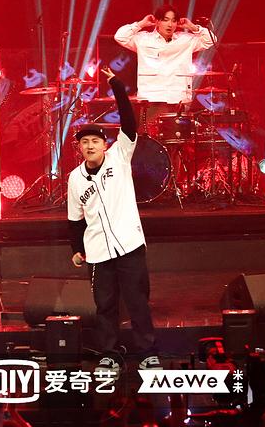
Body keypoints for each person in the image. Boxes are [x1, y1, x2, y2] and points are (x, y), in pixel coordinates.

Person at [67, 67, 160, 376]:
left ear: (105, 144)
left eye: (95, 141)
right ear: (79, 148)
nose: (90, 146)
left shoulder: (120, 156)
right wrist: (77, 249)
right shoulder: (75, 179)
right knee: (104, 305)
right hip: (97, 252)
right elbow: (74, 218)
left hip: (129, 245)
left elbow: (128, 121)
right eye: (85, 142)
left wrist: (117, 86)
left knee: (137, 301)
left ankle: (147, 352)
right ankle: (109, 353)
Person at [113, 4, 215, 125]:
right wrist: (141, 24)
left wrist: (192, 27)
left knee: (178, 135)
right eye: (165, 20)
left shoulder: (185, 40)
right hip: (152, 97)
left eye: (173, 21)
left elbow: (211, 40)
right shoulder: (143, 39)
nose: (170, 24)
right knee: (150, 134)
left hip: (178, 97)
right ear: (157, 21)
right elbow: (120, 36)